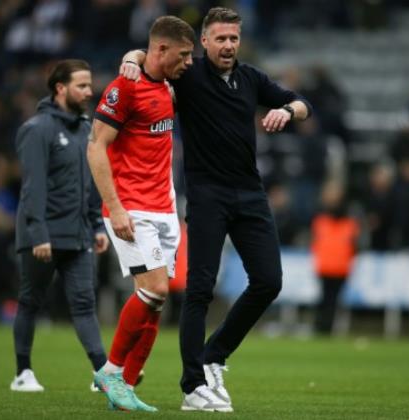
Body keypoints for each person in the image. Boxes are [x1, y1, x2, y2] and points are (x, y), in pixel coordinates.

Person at [121, 7, 313, 412]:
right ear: (203, 42)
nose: (228, 46)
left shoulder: (251, 78)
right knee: (200, 290)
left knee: (269, 281)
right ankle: (193, 386)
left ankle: (214, 356)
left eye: (234, 39)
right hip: (208, 194)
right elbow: (151, 56)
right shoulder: (187, 75)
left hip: (250, 193)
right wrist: (131, 58)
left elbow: (302, 103)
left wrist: (286, 110)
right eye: (220, 39)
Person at [87, 16, 195, 411]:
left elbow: (145, 56)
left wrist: (133, 54)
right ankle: (111, 371)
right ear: (161, 50)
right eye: (183, 55)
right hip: (131, 207)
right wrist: (114, 208)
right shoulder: (124, 88)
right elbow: (96, 147)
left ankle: (126, 387)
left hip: (165, 209)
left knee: (154, 301)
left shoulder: (170, 84)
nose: (188, 63)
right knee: (154, 290)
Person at [10, 59, 110, 393]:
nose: (89, 91)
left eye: (89, 84)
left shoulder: (86, 130)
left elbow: (91, 183)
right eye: (82, 85)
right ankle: (23, 372)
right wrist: (38, 233)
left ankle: (102, 373)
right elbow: (33, 187)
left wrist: (97, 224)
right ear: (60, 88)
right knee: (31, 302)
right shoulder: (37, 129)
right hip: (43, 236)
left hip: (79, 233)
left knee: (84, 305)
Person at [311, 181, 359, 334]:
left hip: (335, 266)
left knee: (328, 300)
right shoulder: (327, 218)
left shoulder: (325, 218)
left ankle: (324, 327)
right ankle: (323, 327)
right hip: (331, 265)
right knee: (328, 300)